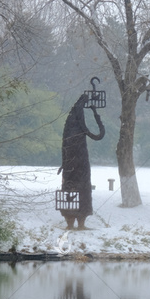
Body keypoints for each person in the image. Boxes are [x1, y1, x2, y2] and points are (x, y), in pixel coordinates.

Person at [58, 93, 104, 229]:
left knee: (77, 187)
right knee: (75, 188)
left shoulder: (72, 123)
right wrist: (95, 113)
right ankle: (74, 222)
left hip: (76, 162)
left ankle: (77, 222)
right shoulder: (75, 122)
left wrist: (95, 112)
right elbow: (92, 133)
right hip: (75, 162)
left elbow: (93, 134)